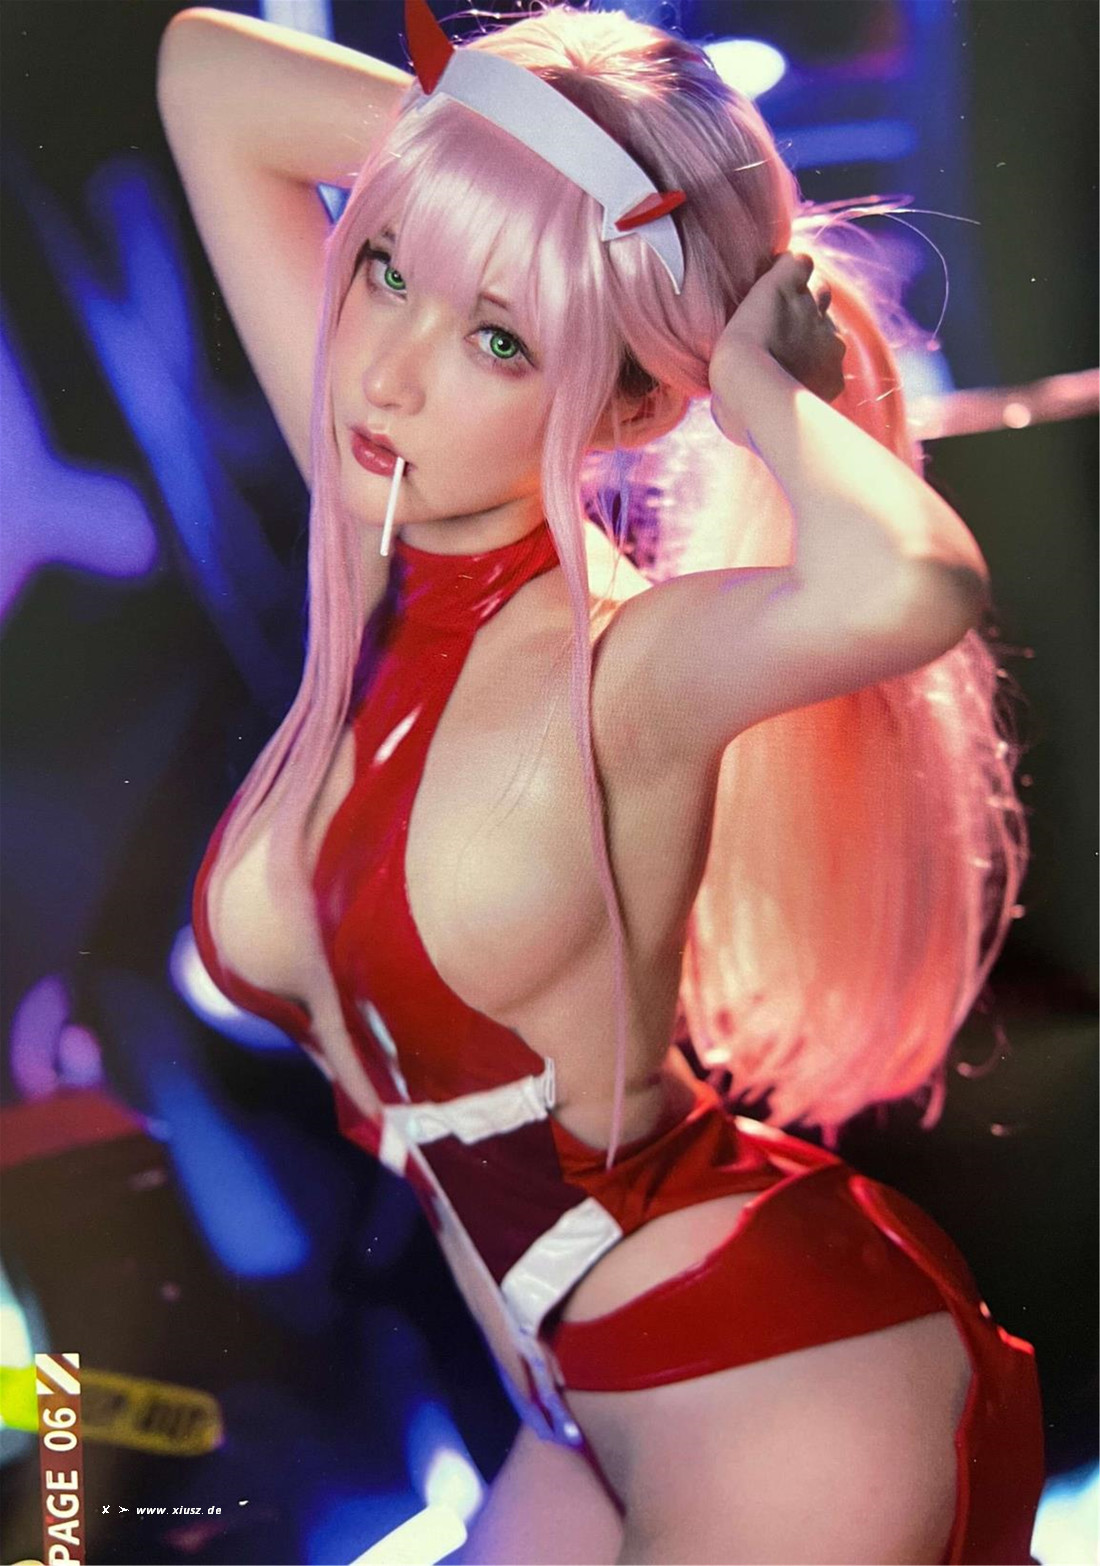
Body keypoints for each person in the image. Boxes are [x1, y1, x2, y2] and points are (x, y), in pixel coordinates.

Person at [159, 2, 1044, 1560]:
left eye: (501, 339)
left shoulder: (626, 665)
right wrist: (506, 171)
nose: (389, 371)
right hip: (574, 1389)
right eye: (386, 267)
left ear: (637, 402)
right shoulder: (381, 516)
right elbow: (203, 74)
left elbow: (913, 587)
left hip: (762, 1363)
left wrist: (757, 384)